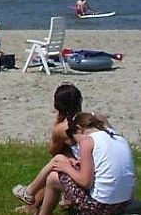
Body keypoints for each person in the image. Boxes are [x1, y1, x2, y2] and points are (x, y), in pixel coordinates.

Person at [12, 84, 109, 213]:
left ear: (57, 106)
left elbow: (52, 150)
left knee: (58, 161)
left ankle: (31, 198)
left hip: (97, 186)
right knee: (66, 155)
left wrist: (57, 124)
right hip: (109, 172)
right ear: (80, 100)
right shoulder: (98, 118)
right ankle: (40, 201)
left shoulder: (64, 128)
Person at [12, 112, 135, 215]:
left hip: (101, 206)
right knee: (62, 166)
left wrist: (66, 168)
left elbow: (86, 182)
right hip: (124, 203)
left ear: (79, 129)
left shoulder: (87, 141)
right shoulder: (118, 138)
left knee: (53, 178)